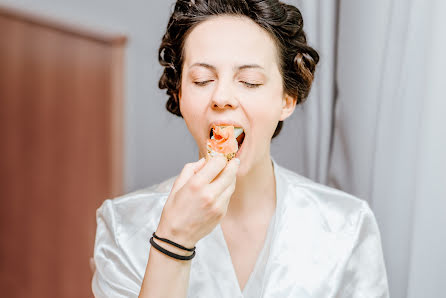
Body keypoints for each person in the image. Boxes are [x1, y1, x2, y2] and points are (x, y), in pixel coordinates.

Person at [91, 0, 390, 297]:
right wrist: (173, 240)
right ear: (180, 93)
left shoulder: (347, 226)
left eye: (249, 81)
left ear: (287, 99)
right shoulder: (123, 227)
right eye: (202, 79)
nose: (222, 96)